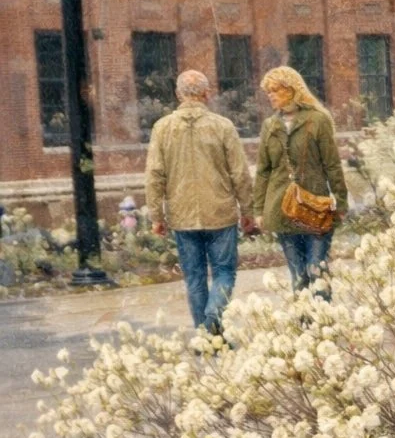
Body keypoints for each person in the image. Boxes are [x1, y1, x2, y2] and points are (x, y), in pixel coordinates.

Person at [144, 70, 254, 335]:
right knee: (224, 272)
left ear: (178, 94)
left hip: (183, 215)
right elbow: (239, 172)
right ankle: (213, 319)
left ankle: (205, 335)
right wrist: (247, 209)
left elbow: (154, 175)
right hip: (220, 212)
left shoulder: (162, 128)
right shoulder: (222, 126)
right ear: (207, 93)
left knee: (194, 278)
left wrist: (157, 217)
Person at [253, 66, 347, 299]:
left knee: (317, 267)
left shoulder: (317, 120)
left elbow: (332, 165)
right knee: (298, 273)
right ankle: (305, 327)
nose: (271, 96)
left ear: (291, 89)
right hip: (282, 208)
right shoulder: (270, 126)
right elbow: (263, 170)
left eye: (275, 90)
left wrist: (341, 202)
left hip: (315, 206)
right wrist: (258, 210)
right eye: (268, 92)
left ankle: (324, 325)